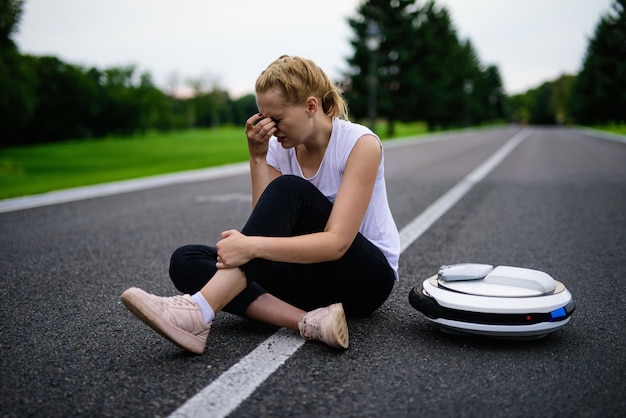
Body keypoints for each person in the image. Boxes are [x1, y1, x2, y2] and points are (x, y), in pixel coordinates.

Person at [120, 55, 400, 354]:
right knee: (186, 260)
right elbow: (268, 225)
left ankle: (198, 311)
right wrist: (257, 156)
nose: (270, 128)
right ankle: (310, 321)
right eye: (263, 118)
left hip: (364, 281)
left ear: (310, 106)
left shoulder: (359, 144)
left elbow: (336, 244)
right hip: (309, 279)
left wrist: (251, 247)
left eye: (276, 119)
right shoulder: (280, 146)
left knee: (291, 189)